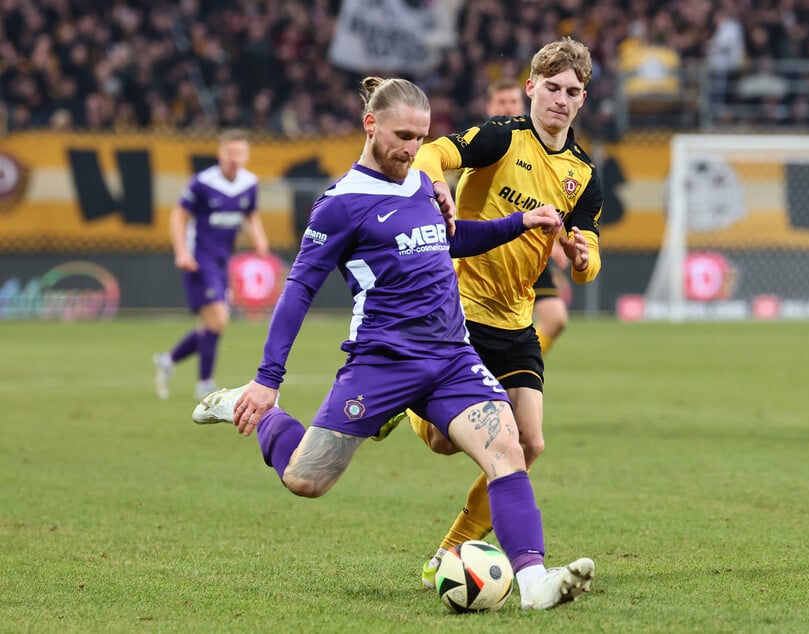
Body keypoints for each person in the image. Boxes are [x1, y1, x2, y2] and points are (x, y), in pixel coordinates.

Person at [190, 76, 595, 611]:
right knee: (305, 481)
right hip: (381, 362)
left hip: (452, 357)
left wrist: (520, 221)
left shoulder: (426, 186)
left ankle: (534, 580)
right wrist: (267, 381)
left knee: (508, 449)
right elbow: (297, 292)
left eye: (421, 136)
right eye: (403, 135)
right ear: (370, 124)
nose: (412, 148)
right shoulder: (340, 204)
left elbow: (454, 239)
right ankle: (252, 410)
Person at [398, 38, 603, 589]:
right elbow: (433, 152)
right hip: (458, 312)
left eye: (573, 92)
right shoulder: (501, 136)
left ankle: (450, 553)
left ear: (583, 99)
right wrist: (436, 180)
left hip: (515, 320)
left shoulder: (583, 173)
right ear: (531, 87)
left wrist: (583, 257)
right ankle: (404, 397)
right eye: (552, 88)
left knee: (530, 444)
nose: (561, 100)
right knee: (444, 441)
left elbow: (587, 260)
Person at [152, 129, 269, 400]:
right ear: (220, 153)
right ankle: (204, 383)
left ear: (247, 155)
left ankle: (168, 360)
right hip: (198, 257)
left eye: (240, 153)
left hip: (221, 259)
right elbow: (178, 216)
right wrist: (181, 251)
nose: (235, 158)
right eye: (230, 152)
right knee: (219, 317)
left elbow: (251, 215)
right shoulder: (202, 183)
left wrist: (260, 240)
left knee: (212, 323)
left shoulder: (249, 183)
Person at [485, 77, 571, 356]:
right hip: (487, 251)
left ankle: (517, 364)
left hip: (527, 249)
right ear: (489, 107)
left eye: (513, 102)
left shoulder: (535, 147)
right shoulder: (479, 146)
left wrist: (556, 241)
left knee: (556, 319)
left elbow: (545, 198)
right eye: (502, 102)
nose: (508, 108)